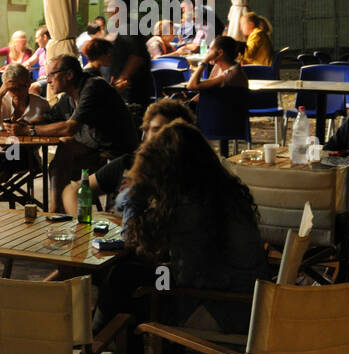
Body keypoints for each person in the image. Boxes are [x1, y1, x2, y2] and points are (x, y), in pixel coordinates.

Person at [93, 120, 268, 335]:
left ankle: (96, 347)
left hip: (219, 308)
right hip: (238, 298)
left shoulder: (191, 208)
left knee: (124, 281)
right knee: (132, 272)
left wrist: (135, 195)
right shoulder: (219, 193)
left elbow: (132, 238)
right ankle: (105, 347)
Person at [32, 54, 138, 210]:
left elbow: (70, 128)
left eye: (51, 75)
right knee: (64, 149)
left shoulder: (93, 87)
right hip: (94, 149)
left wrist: (31, 130)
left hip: (117, 155)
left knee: (66, 148)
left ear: (69, 74)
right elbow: (48, 118)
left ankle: (60, 210)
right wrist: (22, 122)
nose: (47, 80)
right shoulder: (68, 97)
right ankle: (56, 211)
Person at [60, 98, 195, 217]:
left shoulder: (192, 174)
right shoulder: (128, 164)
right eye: (148, 130)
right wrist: (84, 222)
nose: (151, 137)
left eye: (159, 130)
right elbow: (72, 190)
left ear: (181, 133)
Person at [0, 63, 51, 208]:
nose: (17, 92)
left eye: (22, 87)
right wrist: (0, 94)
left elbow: (47, 129)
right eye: (12, 88)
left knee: (14, 157)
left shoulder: (41, 104)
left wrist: (26, 128)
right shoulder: (1, 100)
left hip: (25, 152)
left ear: (29, 83)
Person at [110, 22, 153, 111]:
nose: (107, 11)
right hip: (128, 87)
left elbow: (137, 57)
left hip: (131, 87)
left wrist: (122, 79)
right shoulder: (123, 28)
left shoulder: (128, 28)